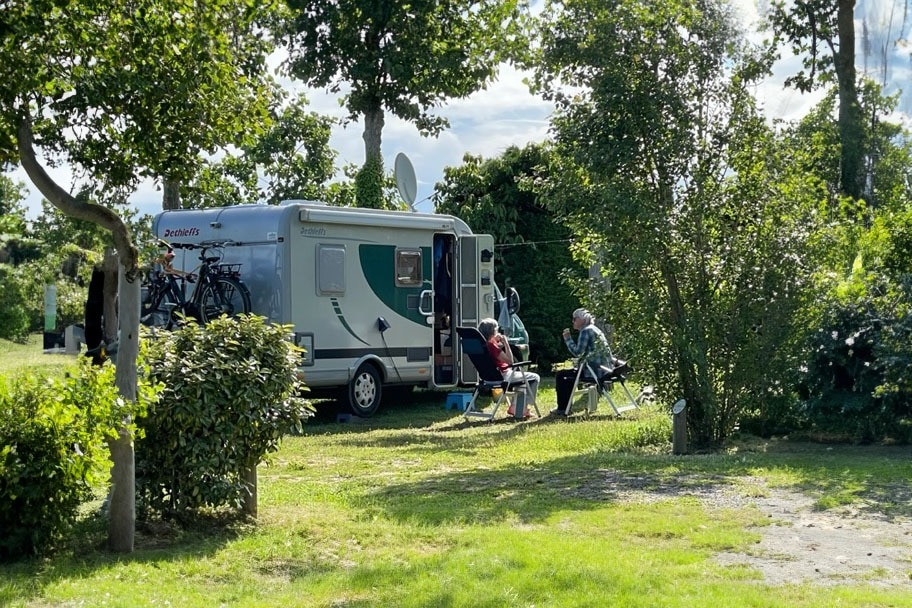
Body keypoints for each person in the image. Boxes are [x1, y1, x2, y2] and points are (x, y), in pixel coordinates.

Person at [553, 308, 612, 415]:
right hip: (606, 370)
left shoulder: (585, 331)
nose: (573, 321)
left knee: (561, 375)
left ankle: (563, 409)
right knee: (568, 375)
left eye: (575, 319)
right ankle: (565, 407)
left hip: (594, 372)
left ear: (582, 319)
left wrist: (568, 339)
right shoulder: (595, 329)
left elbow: (578, 352)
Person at [478, 317, 539, 413]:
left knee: (521, 379)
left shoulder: (483, 345)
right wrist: (506, 343)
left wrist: (498, 343)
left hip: (488, 377)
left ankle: (515, 407)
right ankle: (525, 407)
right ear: (493, 331)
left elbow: (495, 352)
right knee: (535, 377)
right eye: (497, 329)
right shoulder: (492, 346)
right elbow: (510, 361)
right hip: (503, 375)